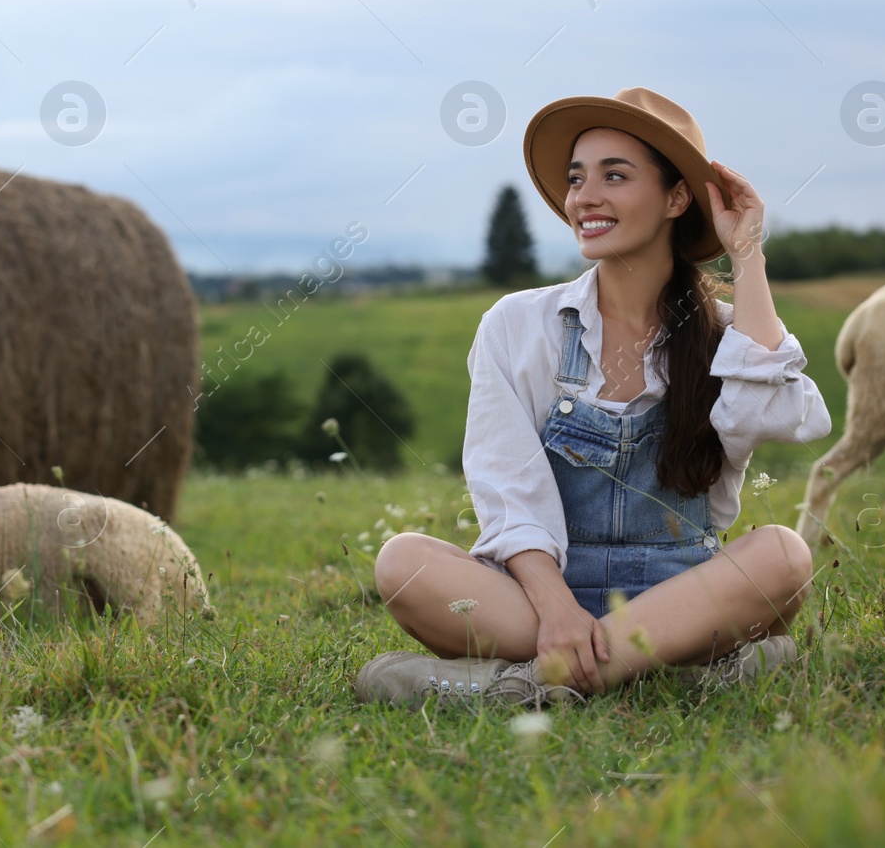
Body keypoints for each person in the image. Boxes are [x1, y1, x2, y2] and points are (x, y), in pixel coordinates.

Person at [355, 87, 833, 708]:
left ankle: (522, 686)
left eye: (615, 175)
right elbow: (508, 490)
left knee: (784, 554)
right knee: (403, 562)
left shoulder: (725, 338)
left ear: (676, 197)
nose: (585, 197)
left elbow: (777, 415)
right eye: (577, 178)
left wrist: (747, 253)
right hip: (536, 598)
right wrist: (557, 611)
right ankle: (676, 671)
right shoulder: (518, 324)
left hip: (680, 596)